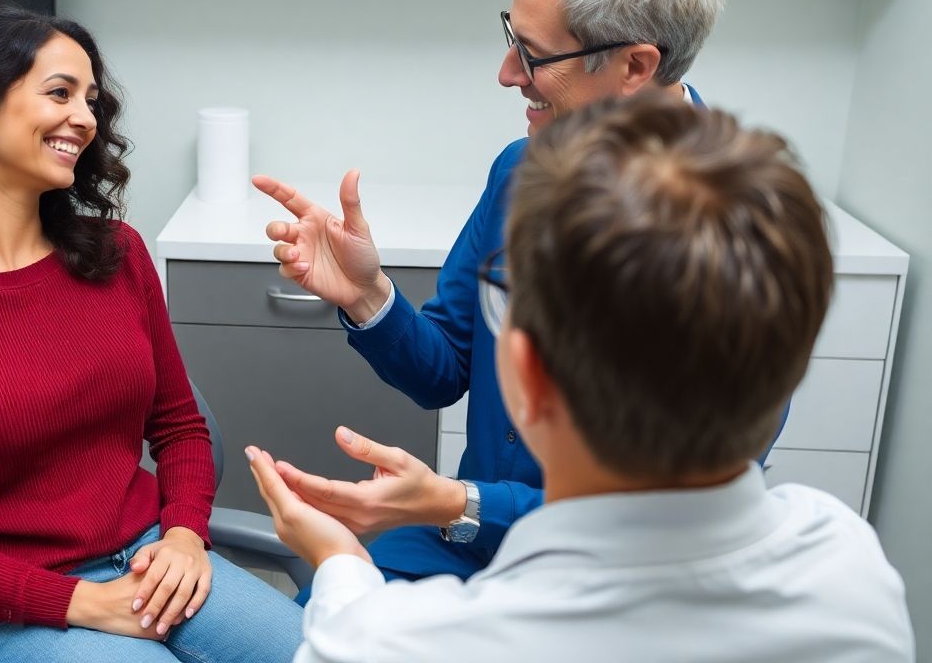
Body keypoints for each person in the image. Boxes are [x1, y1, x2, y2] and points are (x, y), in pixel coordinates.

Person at [249, 94, 915, 661]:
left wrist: (339, 563)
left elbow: (359, 639)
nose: (510, 72)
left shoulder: (409, 643)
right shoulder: (856, 567)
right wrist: (368, 299)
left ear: (529, 378)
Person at [251, 0, 791, 591]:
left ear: (634, 66)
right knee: (323, 618)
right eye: (512, 36)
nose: (507, 73)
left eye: (534, 54)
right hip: (473, 542)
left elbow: (675, 515)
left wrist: (457, 501)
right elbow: (443, 370)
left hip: (616, 582)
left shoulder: (740, 229)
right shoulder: (519, 171)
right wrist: (366, 297)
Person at [0, 4, 301, 662]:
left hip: (149, 559)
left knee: (329, 649)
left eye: (91, 99)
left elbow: (178, 426)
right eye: (59, 93)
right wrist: (85, 604)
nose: (86, 118)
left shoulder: (117, 254)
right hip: (3, 612)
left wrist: (181, 537)